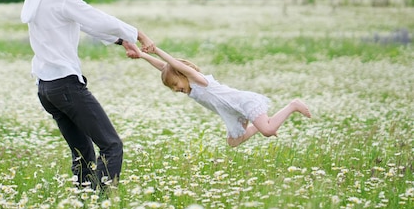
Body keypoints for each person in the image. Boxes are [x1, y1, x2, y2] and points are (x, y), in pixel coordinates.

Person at [20, 0, 155, 190]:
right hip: (65, 86)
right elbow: (97, 18)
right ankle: (100, 204)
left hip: (46, 89)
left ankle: (84, 205)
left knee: (82, 154)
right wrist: (138, 34)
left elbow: (85, 24)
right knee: (112, 146)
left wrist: (121, 40)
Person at [133, 46, 311, 147]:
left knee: (268, 131)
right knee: (234, 142)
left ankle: (293, 105)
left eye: (175, 84)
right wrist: (142, 55)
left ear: (182, 74)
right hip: (233, 111)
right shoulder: (189, 87)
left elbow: (172, 63)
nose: (175, 89)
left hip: (243, 102)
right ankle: (262, 122)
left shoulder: (199, 80)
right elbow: (164, 67)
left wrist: (156, 49)